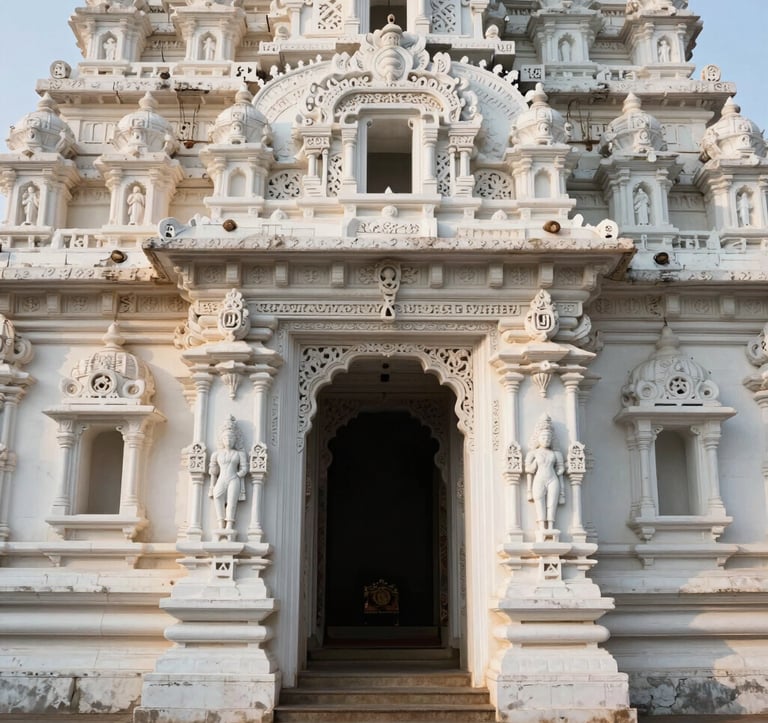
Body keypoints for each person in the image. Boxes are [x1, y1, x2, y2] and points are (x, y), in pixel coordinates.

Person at [525, 416, 565, 531]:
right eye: (543, 437)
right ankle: (542, 526)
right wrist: (535, 463)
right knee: (539, 500)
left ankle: (551, 526)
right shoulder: (533, 453)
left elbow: (560, 469)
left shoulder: (556, 454)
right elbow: (529, 470)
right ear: (538, 438)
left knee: (552, 503)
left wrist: (561, 470)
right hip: (539, 479)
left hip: (553, 479)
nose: (546, 439)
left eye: (548, 437)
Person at [208, 417, 248, 530]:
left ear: (235, 439)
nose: (228, 441)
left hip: (233, 478)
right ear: (222, 440)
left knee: (232, 501)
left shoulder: (240, 454)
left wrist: (238, 475)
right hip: (221, 479)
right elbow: (214, 471)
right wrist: (212, 477)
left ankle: (229, 524)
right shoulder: (216, 454)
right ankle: (220, 522)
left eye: (231, 438)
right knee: (217, 496)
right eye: (226, 438)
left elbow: (244, 469)